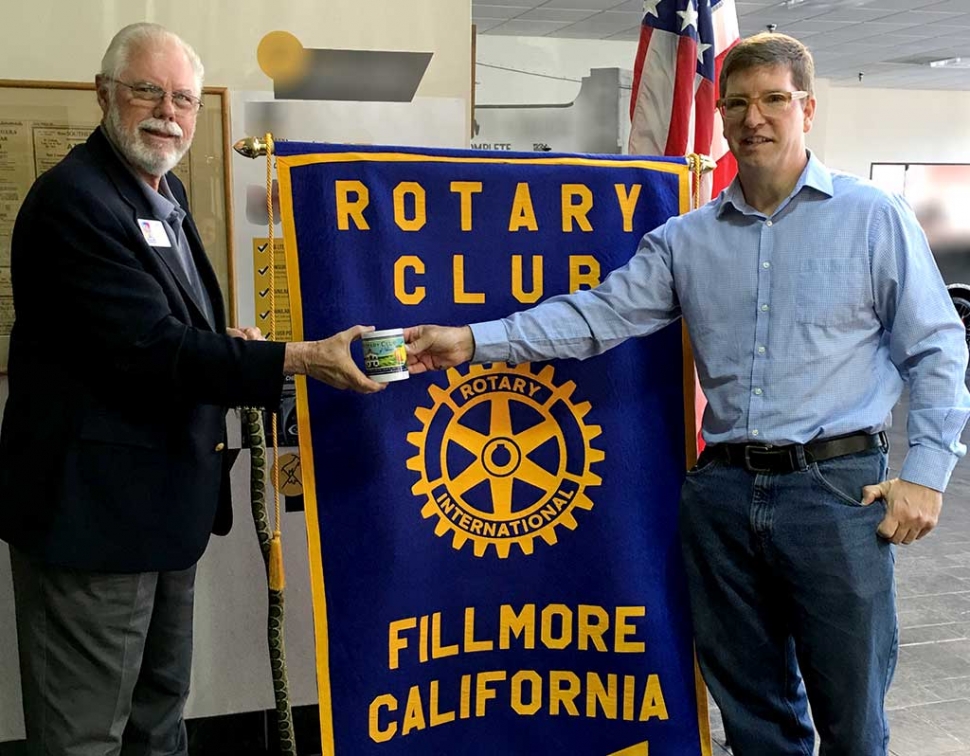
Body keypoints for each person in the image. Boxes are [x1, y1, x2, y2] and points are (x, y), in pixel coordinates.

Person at [404, 32, 970, 755]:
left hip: (834, 495)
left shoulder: (872, 217)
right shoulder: (686, 240)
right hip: (724, 499)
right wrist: (473, 341)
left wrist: (926, 475)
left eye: (773, 99)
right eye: (736, 103)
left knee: (853, 719)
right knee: (755, 720)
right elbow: (595, 317)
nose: (753, 118)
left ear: (808, 108)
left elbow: (936, 346)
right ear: (720, 113)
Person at [0, 22, 383, 756]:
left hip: (162, 511)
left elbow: (165, 332)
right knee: (85, 735)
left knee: (161, 715)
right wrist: (295, 359)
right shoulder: (74, 202)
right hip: (93, 520)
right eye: (147, 90)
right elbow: (151, 352)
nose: (167, 112)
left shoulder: (159, 190)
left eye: (182, 97)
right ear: (105, 95)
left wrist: (224, 345)